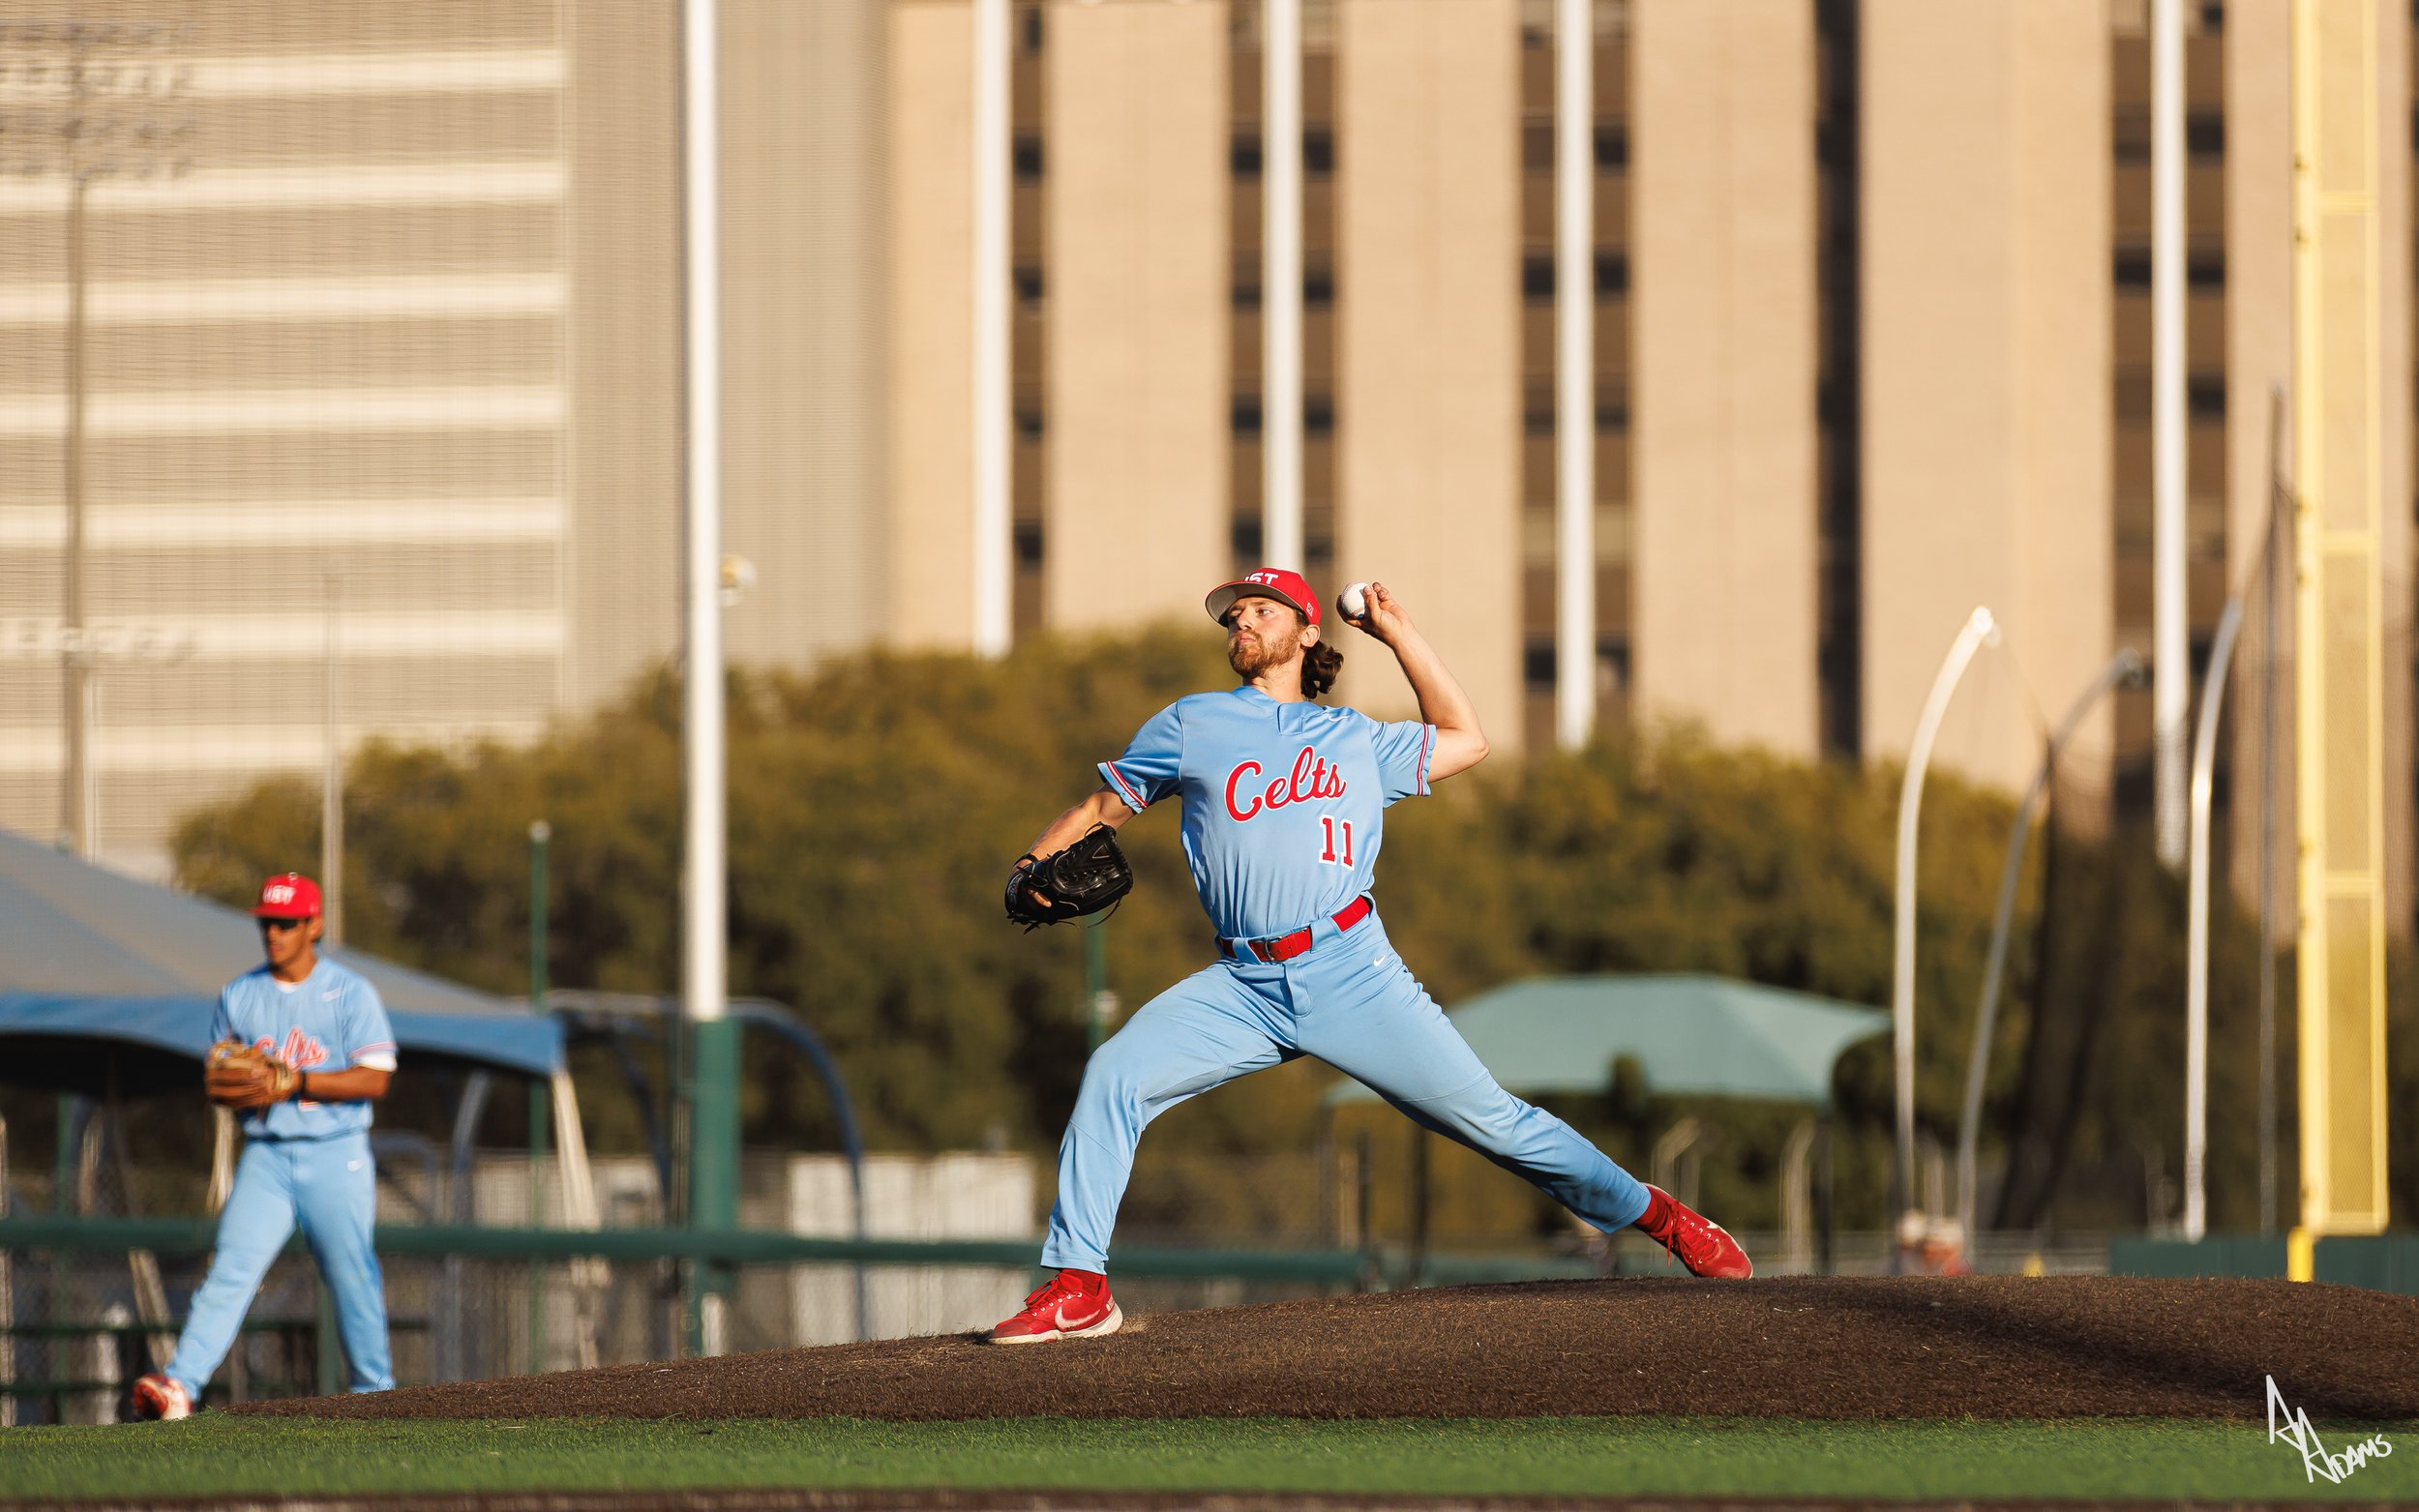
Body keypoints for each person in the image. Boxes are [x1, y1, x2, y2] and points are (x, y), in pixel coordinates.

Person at [990, 569, 1751, 1345]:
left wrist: (1399, 635)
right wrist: (1029, 864)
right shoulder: (1193, 722)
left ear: (1307, 631)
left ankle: (1657, 1214)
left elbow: (1468, 739)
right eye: (1233, 615)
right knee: (1114, 1074)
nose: (1241, 621)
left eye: (1260, 610)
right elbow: (1100, 807)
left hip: (1350, 970)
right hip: (1243, 984)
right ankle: (1080, 1284)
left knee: (1498, 1125)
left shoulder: (1356, 739)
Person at [130, 873, 399, 1418]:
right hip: (268, 1154)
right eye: (267, 923)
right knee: (231, 1267)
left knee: (351, 1273)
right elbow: (221, 1076)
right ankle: (180, 1385)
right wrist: (239, 1087)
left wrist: (298, 1081)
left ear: (313, 925)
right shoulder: (240, 994)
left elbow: (375, 1078)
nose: (273, 933)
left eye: (286, 923)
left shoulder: (350, 992)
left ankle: (375, 1392)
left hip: (335, 1149)